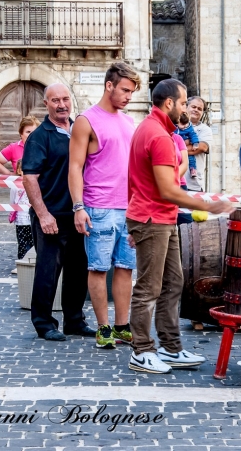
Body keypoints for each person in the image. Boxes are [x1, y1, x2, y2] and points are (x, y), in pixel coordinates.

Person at [126, 79, 233, 374]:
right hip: (153, 218)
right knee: (149, 287)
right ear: (169, 103)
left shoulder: (154, 129)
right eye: (184, 103)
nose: (186, 109)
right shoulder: (157, 135)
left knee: (173, 282)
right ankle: (141, 350)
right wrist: (208, 206)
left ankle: (171, 348)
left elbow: (135, 177)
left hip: (160, 217)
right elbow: (167, 190)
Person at [68, 63, 140, 349]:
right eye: (124, 90)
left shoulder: (128, 122)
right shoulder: (86, 120)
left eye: (132, 92)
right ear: (109, 85)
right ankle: (103, 328)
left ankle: (122, 326)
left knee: (125, 268)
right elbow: (75, 166)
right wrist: (78, 206)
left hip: (129, 208)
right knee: (98, 268)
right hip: (98, 208)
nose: (128, 97)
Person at [21, 83, 94, 342]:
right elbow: (29, 178)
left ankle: (74, 321)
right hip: (51, 215)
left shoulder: (79, 130)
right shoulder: (40, 136)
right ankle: (43, 323)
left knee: (78, 270)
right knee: (47, 271)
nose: (61, 104)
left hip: (78, 214)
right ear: (46, 104)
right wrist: (43, 215)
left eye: (65, 99)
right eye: (55, 100)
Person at [184, 96, 213, 191]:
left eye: (199, 109)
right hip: (174, 183)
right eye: (193, 107)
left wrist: (175, 149)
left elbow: (202, 147)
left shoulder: (205, 130)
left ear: (202, 112)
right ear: (186, 107)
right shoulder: (174, 125)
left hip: (193, 185)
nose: (196, 110)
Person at [10, 159, 34, 262]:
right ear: (19, 171)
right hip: (21, 220)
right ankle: (22, 262)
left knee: (33, 243)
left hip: (32, 219)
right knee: (22, 243)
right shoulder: (14, 186)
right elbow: (12, 201)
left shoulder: (35, 183)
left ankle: (32, 261)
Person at [176, 113, 199, 177]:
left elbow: (193, 135)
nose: (185, 126)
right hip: (177, 146)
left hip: (185, 147)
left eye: (186, 124)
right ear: (177, 122)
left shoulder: (189, 127)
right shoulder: (174, 127)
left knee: (191, 158)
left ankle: (193, 169)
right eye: (182, 124)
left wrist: (195, 143)